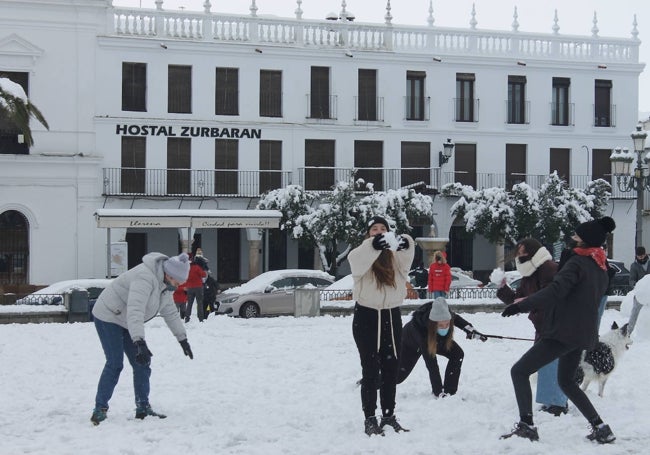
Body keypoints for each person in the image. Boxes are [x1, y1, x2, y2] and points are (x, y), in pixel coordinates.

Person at [500, 216, 617, 444]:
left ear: (585, 241)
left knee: (519, 371)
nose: (571, 238)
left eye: (576, 236)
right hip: (581, 333)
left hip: (563, 331)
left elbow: (555, 291)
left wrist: (520, 305)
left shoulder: (577, 264)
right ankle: (601, 427)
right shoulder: (600, 266)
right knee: (566, 381)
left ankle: (527, 426)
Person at [90, 252, 195, 425]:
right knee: (115, 363)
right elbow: (135, 310)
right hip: (108, 316)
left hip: (126, 320)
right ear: (169, 275)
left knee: (142, 363)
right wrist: (139, 342)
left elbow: (170, 312)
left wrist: (182, 339)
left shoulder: (165, 286)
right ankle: (100, 409)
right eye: (178, 282)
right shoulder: (144, 278)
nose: (178, 286)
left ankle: (143, 407)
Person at [348, 215, 414, 436]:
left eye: (382, 228)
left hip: (391, 315)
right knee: (370, 371)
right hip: (367, 317)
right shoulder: (361, 255)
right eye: (374, 229)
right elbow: (356, 260)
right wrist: (373, 246)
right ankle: (369, 418)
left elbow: (408, 255)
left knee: (390, 369)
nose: (378, 231)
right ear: (368, 234)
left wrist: (404, 241)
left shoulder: (395, 259)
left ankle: (388, 415)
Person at [496, 238, 567, 417]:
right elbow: (516, 300)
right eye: (518, 251)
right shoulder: (528, 273)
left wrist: (527, 302)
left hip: (555, 323)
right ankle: (551, 400)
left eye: (523, 251)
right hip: (541, 324)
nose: (519, 255)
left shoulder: (548, 268)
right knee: (544, 364)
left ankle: (558, 402)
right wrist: (502, 287)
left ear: (533, 252)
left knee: (553, 363)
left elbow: (551, 295)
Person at [397, 297, 487, 397]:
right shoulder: (420, 331)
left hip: (436, 338)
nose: (445, 328)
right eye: (441, 325)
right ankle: (376, 382)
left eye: (447, 324)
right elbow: (432, 366)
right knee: (398, 378)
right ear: (433, 324)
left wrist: (472, 331)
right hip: (410, 346)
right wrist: (438, 392)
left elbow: (457, 320)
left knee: (457, 354)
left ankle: (450, 391)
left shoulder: (445, 314)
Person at [184, 253, 208, 322]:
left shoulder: (187, 269)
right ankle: (200, 319)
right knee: (199, 303)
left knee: (189, 303)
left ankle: (187, 317)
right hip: (198, 287)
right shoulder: (197, 267)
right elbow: (203, 275)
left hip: (190, 288)